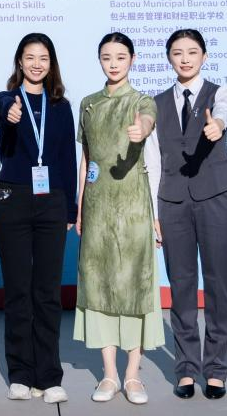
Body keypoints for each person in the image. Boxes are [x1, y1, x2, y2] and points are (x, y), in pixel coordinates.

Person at [145, 28, 227, 400]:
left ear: (204, 56)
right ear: (169, 57)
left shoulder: (220, 93)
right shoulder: (156, 104)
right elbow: (153, 162)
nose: (185, 59)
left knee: (218, 283)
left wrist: (218, 124)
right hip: (172, 203)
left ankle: (215, 369)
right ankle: (186, 369)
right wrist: (154, 212)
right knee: (181, 285)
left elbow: (225, 110)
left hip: (215, 197)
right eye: (178, 52)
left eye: (192, 52)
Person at [74, 32, 162, 405]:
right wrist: (80, 206)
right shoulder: (88, 104)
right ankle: (109, 375)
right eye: (107, 57)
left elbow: (148, 121)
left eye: (121, 57)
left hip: (134, 209)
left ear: (133, 59)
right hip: (97, 208)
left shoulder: (142, 101)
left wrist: (142, 128)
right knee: (99, 286)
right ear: (99, 60)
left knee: (134, 287)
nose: (113, 63)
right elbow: (87, 160)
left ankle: (133, 375)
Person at [0, 33, 76, 404]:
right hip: (13, 198)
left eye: (43, 58)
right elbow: (1, 108)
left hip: (51, 202)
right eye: (30, 57)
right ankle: (21, 374)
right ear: (19, 61)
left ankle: (49, 375)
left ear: (51, 63)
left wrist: (71, 208)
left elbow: (68, 159)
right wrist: (9, 112)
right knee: (18, 291)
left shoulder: (61, 106)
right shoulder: (7, 99)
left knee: (47, 292)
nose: (36, 64)